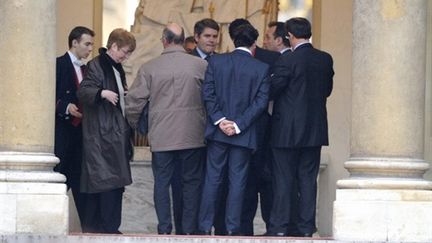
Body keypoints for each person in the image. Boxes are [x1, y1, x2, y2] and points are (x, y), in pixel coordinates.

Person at [125, 23, 207, 235]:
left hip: (161, 138)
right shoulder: (200, 66)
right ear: (183, 40)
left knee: (161, 184)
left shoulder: (150, 68)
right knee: (191, 184)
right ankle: (188, 230)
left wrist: (139, 126)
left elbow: (133, 102)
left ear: (165, 40)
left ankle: (164, 229)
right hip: (193, 136)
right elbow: (212, 100)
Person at [198, 23, 269, 236]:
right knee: (237, 182)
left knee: (212, 179)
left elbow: (207, 94)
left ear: (233, 41)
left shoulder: (216, 62)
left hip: (218, 132)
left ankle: (203, 228)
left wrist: (220, 121)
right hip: (243, 135)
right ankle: (231, 229)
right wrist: (238, 125)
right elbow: (260, 103)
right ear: (253, 43)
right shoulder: (262, 68)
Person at [267, 17, 334, 237]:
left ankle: (279, 228)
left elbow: (273, 90)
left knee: (283, 180)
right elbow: (327, 90)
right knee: (307, 181)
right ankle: (306, 229)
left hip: (286, 131)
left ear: (290, 36)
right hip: (314, 130)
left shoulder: (287, 60)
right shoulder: (325, 59)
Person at [77, 28, 136, 234]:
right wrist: (102, 92)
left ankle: (108, 227)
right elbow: (84, 91)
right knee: (106, 184)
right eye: (125, 52)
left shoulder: (115, 67)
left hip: (113, 135)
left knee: (112, 184)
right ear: (113, 46)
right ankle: (104, 228)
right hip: (102, 136)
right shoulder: (97, 65)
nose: (127, 57)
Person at [228, 18, 279, 236]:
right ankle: (245, 232)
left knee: (262, 185)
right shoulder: (229, 61)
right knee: (246, 186)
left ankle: (267, 230)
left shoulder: (272, 59)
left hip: (259, 134)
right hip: (245, 133)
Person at [54, 26, 94, 230]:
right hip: (63, 135)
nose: (90, 49)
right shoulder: (58, 65)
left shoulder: (88, 70)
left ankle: (89, 229)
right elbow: (46, 96)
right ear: (74, 42)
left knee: (81, 184)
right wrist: (66, 107)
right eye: (87, 44)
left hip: (82, 137)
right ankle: (48, 225)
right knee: (59, 181)